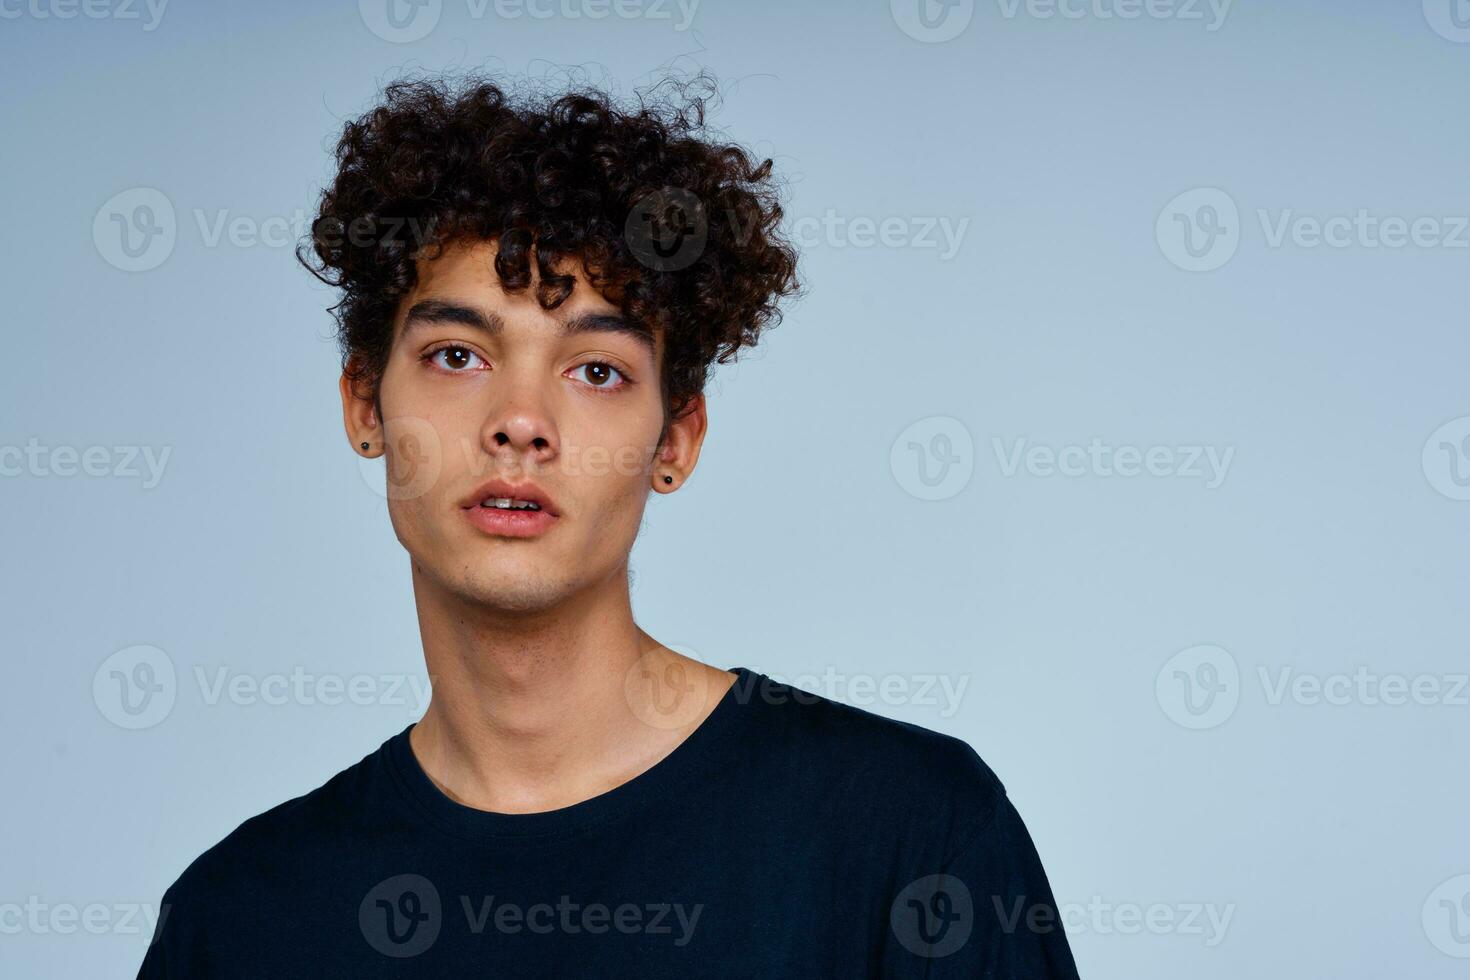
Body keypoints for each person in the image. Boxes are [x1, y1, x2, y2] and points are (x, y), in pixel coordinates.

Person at [136, 71, 1081, 978]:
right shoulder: (239, 919)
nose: (520, 421)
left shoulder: (910, 838)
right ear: (363, 406)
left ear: (676, 437)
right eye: (458, 354)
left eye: (596, 370)